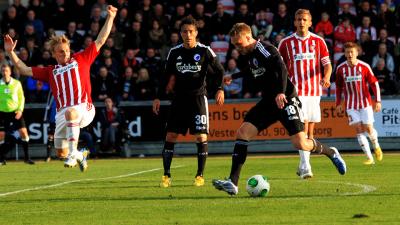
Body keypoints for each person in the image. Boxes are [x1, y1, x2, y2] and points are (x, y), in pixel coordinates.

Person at [212, 23, 346, 196]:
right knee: (242, 133)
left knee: (301, 143)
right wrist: (233, 76)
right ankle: (233, 182)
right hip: (269, 102)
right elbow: (252, 69)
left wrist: (281, 93)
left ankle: (331, 152)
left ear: (248, 37)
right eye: (234, 45)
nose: (237, 48)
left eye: (239, 44)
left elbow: (281, 67)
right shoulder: (251, 54)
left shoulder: (265, 48)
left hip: (286, 99)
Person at [3, 5, 118, 172]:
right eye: (60, 52)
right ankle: (79, 155)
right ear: (54, 54)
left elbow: (100, 40)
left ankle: (73, 153)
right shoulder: (50, 71)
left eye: (66, 51)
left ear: (69, 50)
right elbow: (23, 69)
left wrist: (111, 17)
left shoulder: (81, 59)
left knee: (71, 114)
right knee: (60, 152)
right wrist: (10, 52)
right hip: (62, 113)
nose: (64, 54)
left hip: (84, 108)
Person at [152, 16, 225, 188]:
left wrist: (220, 89)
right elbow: (165, 77)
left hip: (198, 99)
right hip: (178, 100)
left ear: (196, 33)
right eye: (184, 31)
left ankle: (199, 175)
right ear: (180, 33)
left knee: (200, 137)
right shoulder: (174, 52)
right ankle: (166, 175)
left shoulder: (205, 51)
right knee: (171, 136)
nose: (188, 34)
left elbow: (220, 71)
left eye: (191, 31)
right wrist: (157, 97)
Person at [278, 9, 332, 179]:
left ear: (310, 22)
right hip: (295, 92)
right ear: (294, 22)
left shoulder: (319, 41)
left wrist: (327, 77)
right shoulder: (286, 43)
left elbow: (327, 64)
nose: (301, 22)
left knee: (309, 132)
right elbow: (280, 69)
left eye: (304, 19)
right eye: (299, 19)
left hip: (314, 92)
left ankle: (303, 165)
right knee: (301, 126)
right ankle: (307, 166)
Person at [335, 42, 383, 165]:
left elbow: (374, 83)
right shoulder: (341, 69)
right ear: (344, 54)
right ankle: (369, 157)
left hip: (365, 102)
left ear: (357, 52)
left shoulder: (364, 66)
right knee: (358, 129)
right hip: (351, 105)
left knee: (368, 128)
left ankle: (376, 146)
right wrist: (338, 104)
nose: (350, 54)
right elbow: (339, 87)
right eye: (347, 52)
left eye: (352, 52)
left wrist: (377, 100)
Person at [0, 64, 34, 165]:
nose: (5, 73)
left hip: (15, 112)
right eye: (3, 71)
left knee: (24, 132)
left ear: (10, 72)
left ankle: (27, 158)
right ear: (1, 72)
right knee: (1, 135)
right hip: (2, 113)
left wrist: (20, 110)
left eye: (6, 71)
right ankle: (2, 159)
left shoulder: (16, 83)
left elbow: (21, 98)